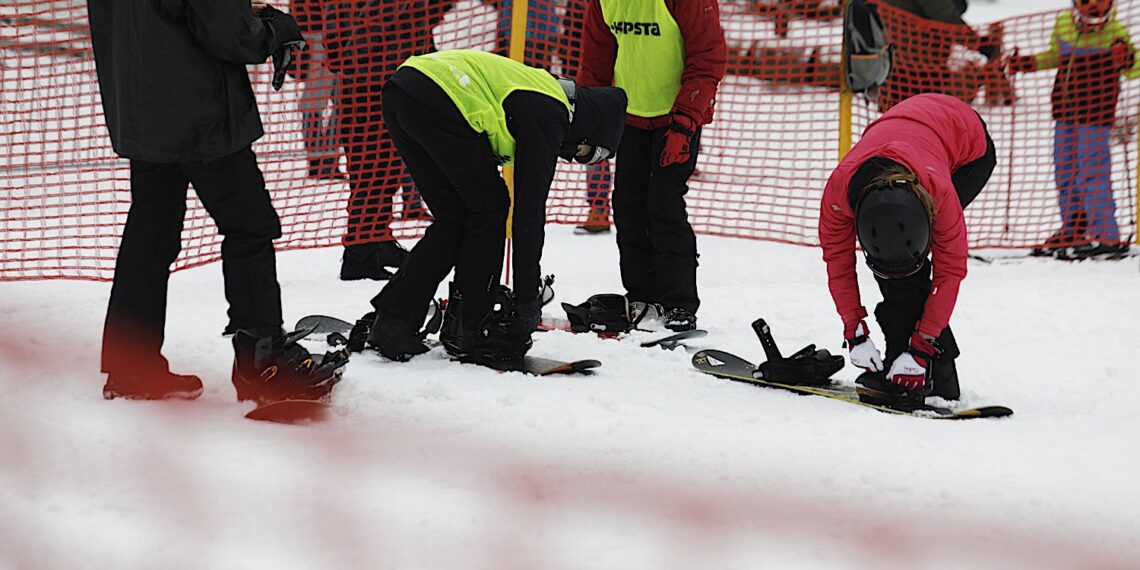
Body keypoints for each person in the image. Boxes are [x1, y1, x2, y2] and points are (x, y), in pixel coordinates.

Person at [88, 0, 346, 402]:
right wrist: (274, 30)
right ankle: (264, 366)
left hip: (145, 108)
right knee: (250, 226)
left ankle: (131, 367)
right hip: (201, 112)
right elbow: (230, 36)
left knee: (150, 238)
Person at [366, 49, 627, 363]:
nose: (573, 157)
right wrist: (527, 302)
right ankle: (469, 327)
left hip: (405, 92)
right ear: (591, 127)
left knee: (456, 218)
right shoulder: (550, 110)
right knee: (490, 209)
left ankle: (394, 322)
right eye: (586, 153)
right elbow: (528, 216)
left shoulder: (540, 93)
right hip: (439, 95)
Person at [819, 93, 996, 404]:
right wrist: (854, 332)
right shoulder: (839, 192)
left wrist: (922, 347)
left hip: (968, 146)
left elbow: (950, 271)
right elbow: (838, 261)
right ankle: (906, 362)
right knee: (896, 274)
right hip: (913, 129)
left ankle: (937, 379)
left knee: (906, 279)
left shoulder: (940, 194)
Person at [577, 0, 728, 332]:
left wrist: (686, 122)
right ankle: (641, 294)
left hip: (677, 117)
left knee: (664, 203)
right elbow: (596, 60)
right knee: (627, 204)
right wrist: (590, 119)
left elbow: (708, 58)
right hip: (628, 116)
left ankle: (679, 303)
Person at [324, 1, 458, 281]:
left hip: (385, 76)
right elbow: (373, 24)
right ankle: (359, 253)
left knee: (386, 171)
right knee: (371, 172)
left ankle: (378, 240)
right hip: (373, 81)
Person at [1006, 0, 1138, 257]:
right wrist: (1030, 63)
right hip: (1065, 109)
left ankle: (1105, 235)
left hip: (1096, 111)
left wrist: (1128, 59)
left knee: (1092, 170)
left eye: (1100, 2)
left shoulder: (1115, 31)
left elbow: (1134, 69)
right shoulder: (1064, 23)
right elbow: (1056, 55)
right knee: (1065, 169)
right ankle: (1075, 228)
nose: (1092, 7)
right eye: (1085, 1)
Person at [877, 0, 1009, 109]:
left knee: (892, 120)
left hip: (888, 62)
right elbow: (945, 17)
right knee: (925, 118)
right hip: (921, 64)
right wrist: (978, 44)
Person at [293, 0, 345, 180]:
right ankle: (320, 161)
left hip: (334, 34)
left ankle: (327, 159)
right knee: (316, 103)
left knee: (342, 101)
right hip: (319, 34)